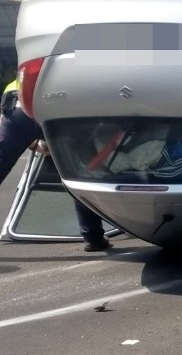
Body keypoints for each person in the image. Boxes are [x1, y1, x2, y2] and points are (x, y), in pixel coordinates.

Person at [0, 80, 111, 251]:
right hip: (61, 109)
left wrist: (32, 140)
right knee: (82, 171)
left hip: (18, 106)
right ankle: (93, 236)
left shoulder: (34, 61)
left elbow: (13, 120)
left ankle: (93, 237)